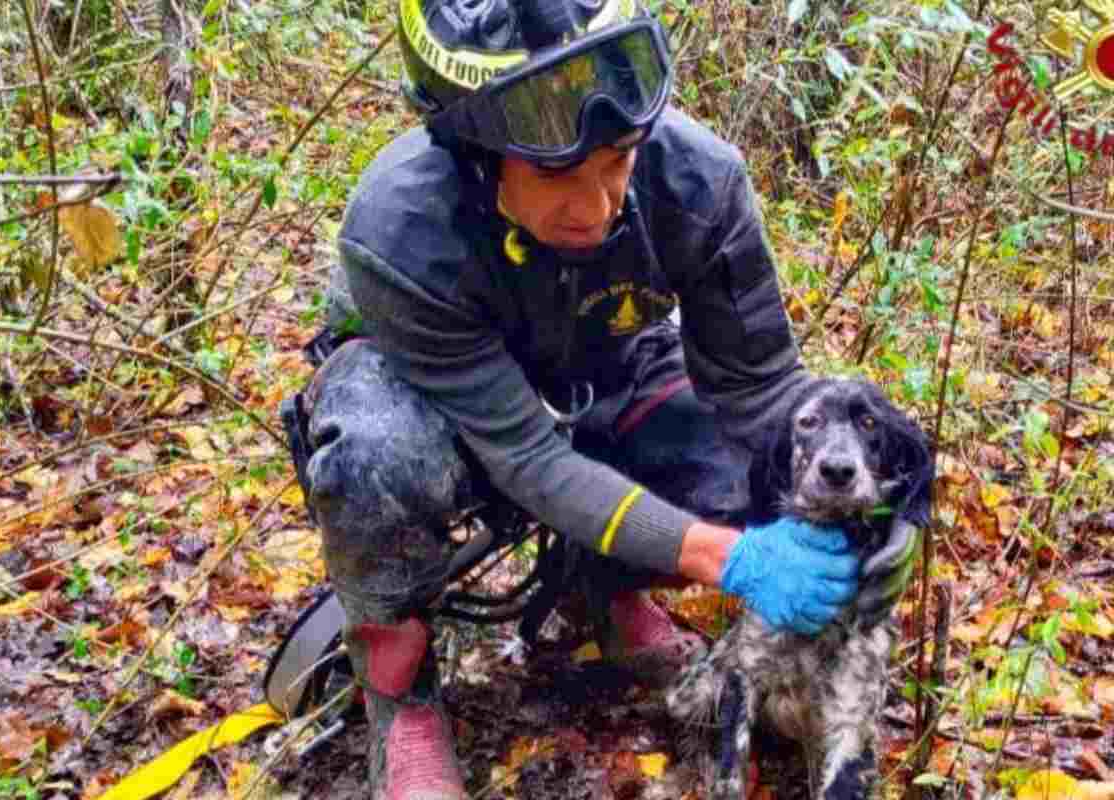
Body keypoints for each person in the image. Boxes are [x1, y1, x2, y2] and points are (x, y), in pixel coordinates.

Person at [294, 0, 921, 796]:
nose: (597, 209)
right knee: (375, 457)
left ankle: (608, 592)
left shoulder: (698, 181)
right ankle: (401, 696)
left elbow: (761, 388)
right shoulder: (401, 230)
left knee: (762, 476)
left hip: (614, 367)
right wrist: (718, 555)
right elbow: (525, 453)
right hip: (446, 405)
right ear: (479, 156)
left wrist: (872, 510)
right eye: (555, 173)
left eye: (620, 156)